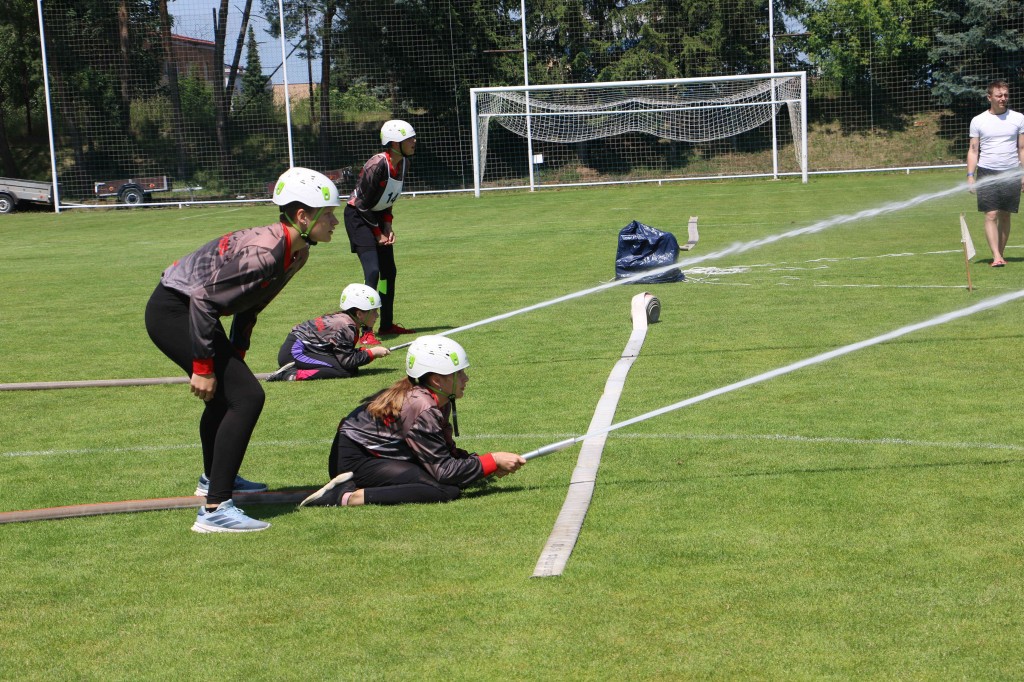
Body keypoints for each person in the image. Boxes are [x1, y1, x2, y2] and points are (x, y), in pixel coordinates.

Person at [145, 167, 341, 533]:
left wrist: (237, 353)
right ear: (303, 216)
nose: (335, 222)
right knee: (247, 396)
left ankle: (215, 478)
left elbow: (250, 304)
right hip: (173, 310)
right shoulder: (266, 253)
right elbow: (203, 300)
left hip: (190, 309)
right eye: (328, 213)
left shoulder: (296, 253)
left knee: (228, 396)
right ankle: (215, 509)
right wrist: (204, 367)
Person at [299, 335, 526, 508]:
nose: (466, 378)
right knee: (445, 490)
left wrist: (483, 466)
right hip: (355, 461)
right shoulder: (423, 406)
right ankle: (346, 496)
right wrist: (492, 460)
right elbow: (444, 471)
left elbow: (443, 453)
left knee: (448, 483)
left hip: (370, 454)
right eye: (459, 373)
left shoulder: (437, 398)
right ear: (437, 380)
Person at [344, 119, 419, 345]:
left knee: (388, 273)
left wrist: (387, 226)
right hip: (358, 218)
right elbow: (361, 204)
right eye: (409, 138)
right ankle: (365, 330)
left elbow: (388, 199)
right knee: (373, 272)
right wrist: (378, 233)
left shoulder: (403, 164)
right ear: (395, 143)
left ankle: (386, 325)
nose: (414, 141)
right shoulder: (377, 164)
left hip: (376, 217)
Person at [267, 283, 391, 382]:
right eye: (373, 311)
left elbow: (342, 352)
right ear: (359, 314)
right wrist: (372, 353)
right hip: (294, 352)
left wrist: (362, 352)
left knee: (350, 369)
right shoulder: (346, 326)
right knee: (344, 371)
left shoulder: (346, 321)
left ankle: (293, 370)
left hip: (298, 348)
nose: (377, 315)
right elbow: (347, 361)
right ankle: (288, 374)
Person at [967, 79, 1024, 267]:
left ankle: (1000, 253)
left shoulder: (1018, 118)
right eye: (999, 95)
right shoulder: (978, 120)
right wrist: (970, 175)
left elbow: (1022, 149)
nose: (1003, 98)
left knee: (1005, 215)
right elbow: (973, 150)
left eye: (1006, 95)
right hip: (987, 171)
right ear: (989, 97)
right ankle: (996, 256)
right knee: (991, 214)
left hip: (1011, 171)